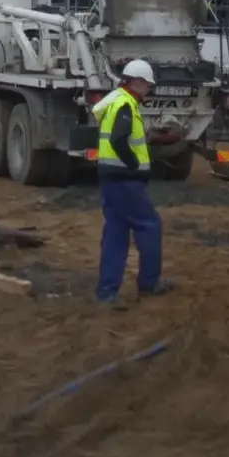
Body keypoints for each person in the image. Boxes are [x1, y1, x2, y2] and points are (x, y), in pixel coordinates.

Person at [94, 59, 175, 303]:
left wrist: (149, 136)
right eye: (148, 84)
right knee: (149, 225)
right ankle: (149, 283)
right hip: (125, 181)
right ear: (137, 82)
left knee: (116, 234)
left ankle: (107, 292)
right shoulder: (125, 105)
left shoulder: (117, 101)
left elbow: (121, 137)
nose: (149, 89)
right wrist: (133, 166)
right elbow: (119, 139)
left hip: (112, 179)